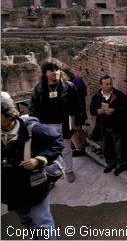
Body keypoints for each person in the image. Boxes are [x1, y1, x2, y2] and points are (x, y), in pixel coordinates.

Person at [2, 93, 64, 240]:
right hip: (10, 191)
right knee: (26, 221)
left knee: (43, 223)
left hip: (33, 187)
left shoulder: (32, 128)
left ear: (7, 114)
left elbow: (57, 142)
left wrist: (39, 160)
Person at [29, 60, 81, 183]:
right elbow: (33, 108)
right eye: (52, 70)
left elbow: (78, 105)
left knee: (66, 149)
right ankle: (52, 174)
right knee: (49, 151)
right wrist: (36, 125)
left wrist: (77, 121)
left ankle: (69, 171)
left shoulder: (69, 86)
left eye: (57, 70)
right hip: (47, 126)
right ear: (45, 73)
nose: (55, 73)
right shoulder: (39, 89)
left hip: (64, 124)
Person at [90, 75, 127, 175]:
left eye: (110, 83)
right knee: (107, 146)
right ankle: (110, 163)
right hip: (103, 126)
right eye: (107, 84)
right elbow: (92, 109)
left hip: (117, 126)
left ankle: (121, 165)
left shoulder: (119, 95)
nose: (110, 85)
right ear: (101, 85)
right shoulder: (97, 96)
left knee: (119, 147)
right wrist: (97, 111)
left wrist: (114, 111)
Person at [62, 67, 88, 157]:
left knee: (74, 128)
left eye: (62, 74)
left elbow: (81, 94)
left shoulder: (74, 81)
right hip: (75, 109)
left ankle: (80, 147)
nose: (61, 76)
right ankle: (83, 144)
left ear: (67, 73)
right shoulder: (72, 81)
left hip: (76, 110)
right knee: (77, 128)